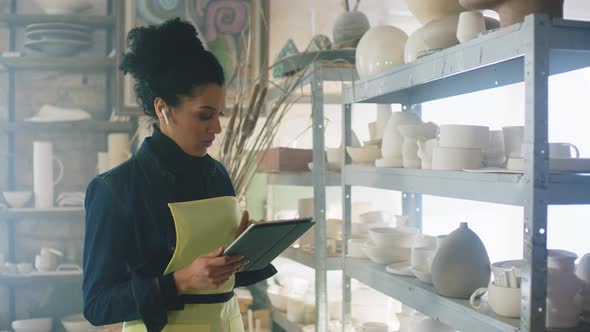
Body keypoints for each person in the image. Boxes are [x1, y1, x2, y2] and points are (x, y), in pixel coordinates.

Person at [82, 18, 276, 332]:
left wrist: (248, 249)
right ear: (163, 109)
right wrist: (182, 281)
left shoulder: (218, 175)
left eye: (219, 115)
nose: (217, 128)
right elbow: (97, 305)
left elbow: (229, 279)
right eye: (204, 115)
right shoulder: (114, 189)